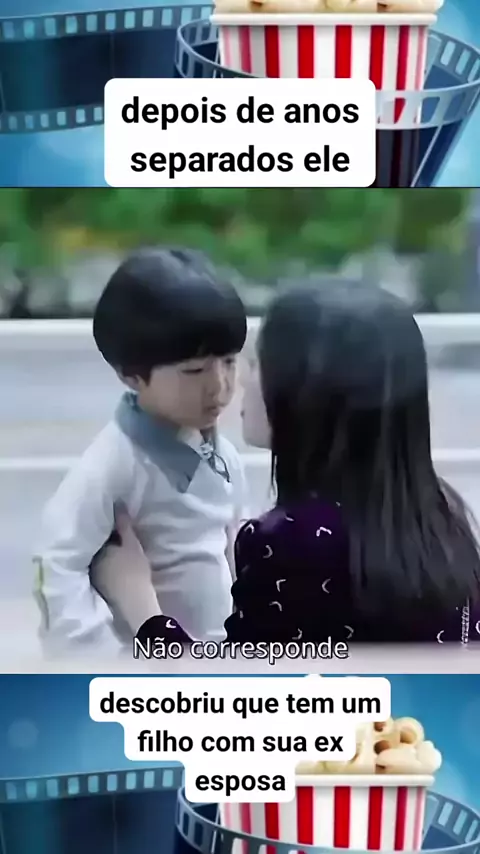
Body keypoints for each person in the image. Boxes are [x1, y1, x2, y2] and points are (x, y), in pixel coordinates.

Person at [98, 279, 480, 645]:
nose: (240, 381)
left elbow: (233, 686)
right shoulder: (442, 518)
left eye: (256, 364)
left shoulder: (290, 544)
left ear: (306, 394)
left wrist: (140, 605)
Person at [33, 246, 248, 653]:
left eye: (229, 362)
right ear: (131, 375)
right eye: (194, 371)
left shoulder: (225, 458)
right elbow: (57, 567)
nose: (219, 386)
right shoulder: (112, 467)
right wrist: (107, 660)